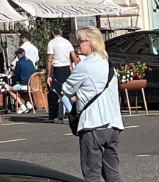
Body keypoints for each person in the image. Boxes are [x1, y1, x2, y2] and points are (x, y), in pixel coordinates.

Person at [62, 28, 123, 182]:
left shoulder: (85, 65)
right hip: (113, 125)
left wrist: (78, 95)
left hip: (93, 125)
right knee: (112, 175)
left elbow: (66, 89)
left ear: (91, 43)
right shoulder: (108, 64)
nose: (77, 45)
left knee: (92, 176)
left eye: (80, 41)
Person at [46, 27, 74, 122]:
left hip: (58, 68)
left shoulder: (52, 43)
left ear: (53, 32)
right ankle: (61, 114)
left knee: (56, 92)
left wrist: (48, 74)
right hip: (67, 68)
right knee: (64, 91)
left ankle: (70, 112)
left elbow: (49, 60)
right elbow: (73, 57)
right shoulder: (67, 42)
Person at [10, 48, 35, 113]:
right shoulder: (30, 61)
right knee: (21, 88)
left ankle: (21, 106)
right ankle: (28, 103)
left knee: (9, 89)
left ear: (18, 55)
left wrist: (12, 84)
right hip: (33, 85)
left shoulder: (19, 63)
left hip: (25, 85)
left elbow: (16, 76)